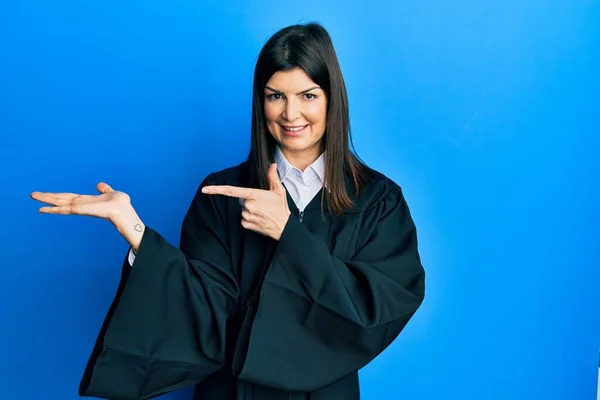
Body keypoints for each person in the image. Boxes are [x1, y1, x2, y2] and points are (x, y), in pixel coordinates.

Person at [30, 22, 425, 400]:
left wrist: (288, 233)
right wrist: (133, 229)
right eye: (275, 95)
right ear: (260, 100)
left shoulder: (377, 200)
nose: (290, 114)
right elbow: (201, 308)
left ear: (331, 99)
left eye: (308, 95)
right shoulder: (222, 193)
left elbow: (375, 310)